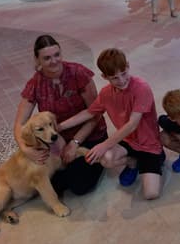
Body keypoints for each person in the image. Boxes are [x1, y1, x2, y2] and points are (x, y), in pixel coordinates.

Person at [60, 48, 165, 200]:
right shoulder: (105, 93)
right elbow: (89, 112)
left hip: (149, 144)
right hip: (128, 141)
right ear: (104, 76)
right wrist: (60, 126)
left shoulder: (142, 87)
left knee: (151, 194)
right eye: (114, 78)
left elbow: (132, 124)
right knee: (106, 159)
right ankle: (132, 163)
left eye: (123, 73)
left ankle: (155, 158)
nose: (121, 81)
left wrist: (104, 144)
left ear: (128, 66)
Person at [13, 35, 106, 196]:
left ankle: (97, 159)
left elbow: (96, 113)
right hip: (57, 140)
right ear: (37, 60)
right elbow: (19, 124)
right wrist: (25, 149)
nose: (54, 61)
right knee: (38, 181)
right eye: (47, 58)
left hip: (89, 135)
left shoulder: (78, 73)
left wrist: (75, 142)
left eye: (57, 55)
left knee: (79, 185)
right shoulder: (35, 83)